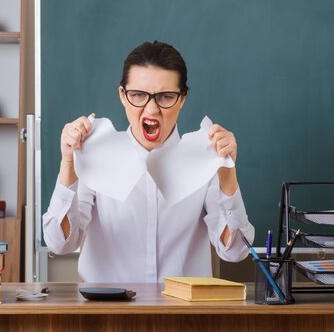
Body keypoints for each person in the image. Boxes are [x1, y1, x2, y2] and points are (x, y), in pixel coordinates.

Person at [43, 41, 254, 283]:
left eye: (165, 96)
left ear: (182, 98)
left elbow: (235, 251)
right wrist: (69, 162)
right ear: (123, 95)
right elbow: (60, 244)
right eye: (138, 95)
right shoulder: (95, 153)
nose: (151, 109)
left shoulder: (205, 157)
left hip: (183, 314)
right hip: (108, 314)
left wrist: (226, 170)